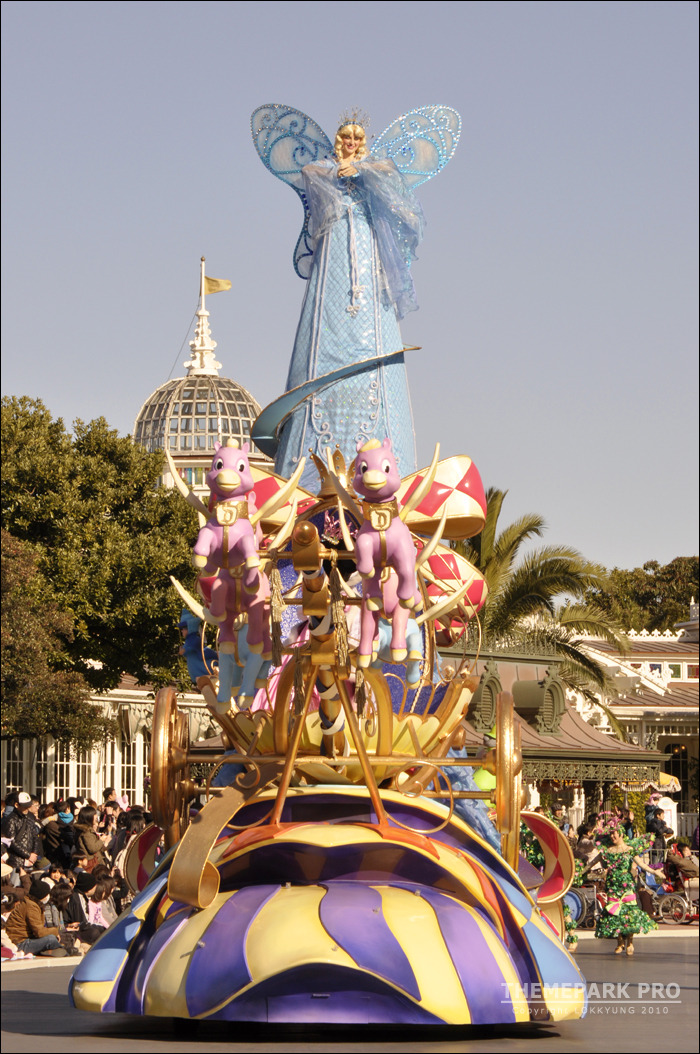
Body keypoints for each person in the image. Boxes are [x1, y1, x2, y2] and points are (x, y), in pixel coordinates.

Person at [263, 117, 424, 487]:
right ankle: (306, 472)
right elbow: (308, 170)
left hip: (368, 256)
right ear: (336, 140)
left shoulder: (374, 171)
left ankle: (382, 464)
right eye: (345, 136)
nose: (351, 142)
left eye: (357, 137)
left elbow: (390, 174)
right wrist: (338, 171)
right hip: (333, 253)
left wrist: (363, 170)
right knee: (321, 331)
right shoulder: (324, 169)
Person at [595, 828, 657, 954]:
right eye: (611, 834)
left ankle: (630, 942)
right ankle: (619, 943)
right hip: (613, 885)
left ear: (621, 834)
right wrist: (580, 871)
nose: (612, 836)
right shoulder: (608, 851)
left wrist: (654, 871)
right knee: (615, 913)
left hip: (626, 885)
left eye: (615, 833)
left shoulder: (629, 850)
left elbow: (641, 864)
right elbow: (593, 862)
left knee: (629, 913)